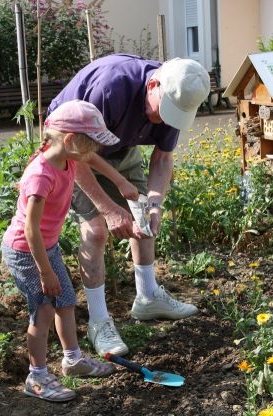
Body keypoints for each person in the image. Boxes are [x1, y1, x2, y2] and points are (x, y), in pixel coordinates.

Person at [48, 53, 211, 357]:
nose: (163, 120)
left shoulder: (175, 96)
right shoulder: (112, 87)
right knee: (96, 230)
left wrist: (155, 203)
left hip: (120, 147)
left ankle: (147, 297)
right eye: (163, 111)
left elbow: (162, 158)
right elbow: (76, 152)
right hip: (70, 146)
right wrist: (109, 209)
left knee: (145, 219)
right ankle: (98, 321)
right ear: (153, 85)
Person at [1, 99, 140, 402]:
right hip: (26, 251)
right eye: (91, 143)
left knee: (65, 302)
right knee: (43, 310)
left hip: (44, 247)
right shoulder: (41, 176)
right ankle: (36, 377)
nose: (96, 151)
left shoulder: (69, 157)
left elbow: (93, 161)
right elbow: (30, 230)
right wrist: (45, 271)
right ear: (70, 140)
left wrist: (120, 180)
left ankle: (73, 360)